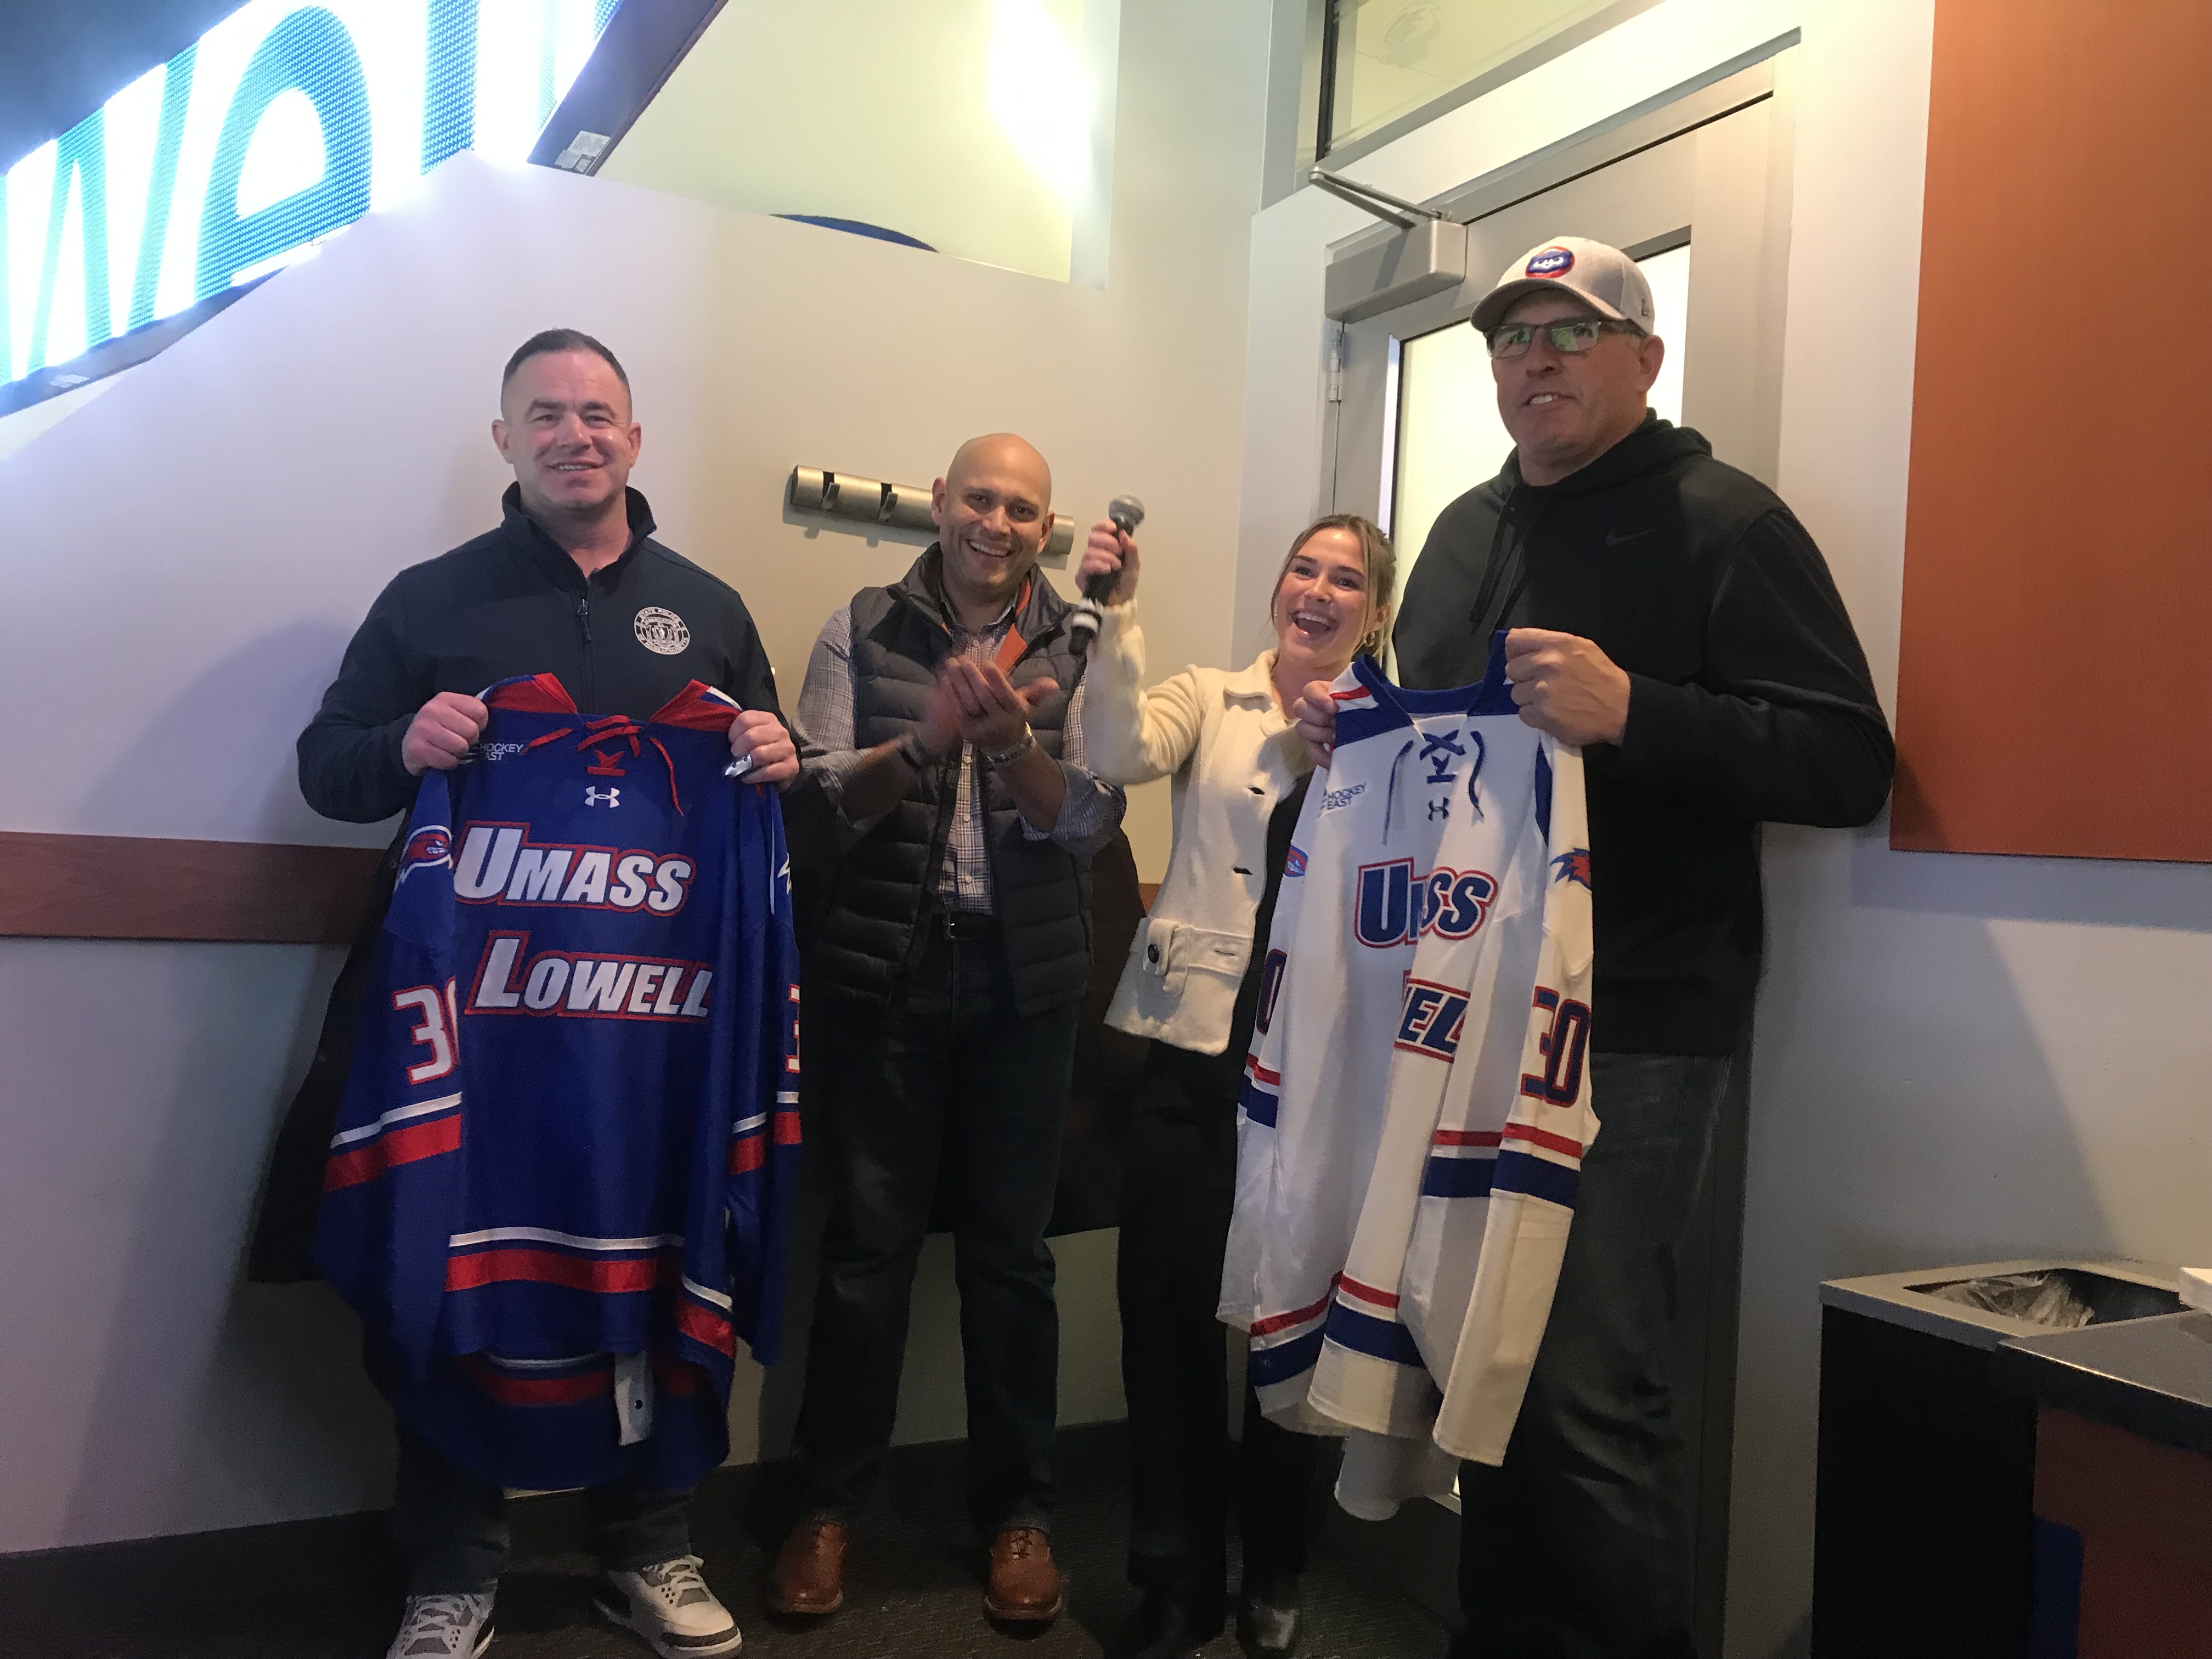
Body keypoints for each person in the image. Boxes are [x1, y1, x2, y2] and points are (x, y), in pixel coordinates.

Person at [1291, 238, 1894, 1659]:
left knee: (1585, 1388)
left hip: (1632, 1016)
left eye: (1573, 331)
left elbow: (1848, 763)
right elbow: (1439, 755)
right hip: (1460, 1003)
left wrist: (1638, 712)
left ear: (1645, 359)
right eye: (1514, 337)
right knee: (1478, 1362)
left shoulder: (1725, 523)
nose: (1537, 359)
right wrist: (1352, 734)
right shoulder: (1460, 533)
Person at [281, 329, 797, 1659]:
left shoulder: (711, 609)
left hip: (659, 1040)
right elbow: (329, 768)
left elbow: (771, 794)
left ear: (637, 437)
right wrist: (404, 743)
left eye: (600, 413)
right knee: (452, 1264)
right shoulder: (433, 602)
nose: (578, 435)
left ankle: (654, 1543)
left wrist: (775, 750)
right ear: (507, 440)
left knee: (665, 1257)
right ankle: (454, 1567)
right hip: (482, 1037)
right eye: (548, 415)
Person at [768, 433, 1127, 1628]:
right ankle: (827, 1507)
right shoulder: (863, 624)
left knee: (1012, 1262)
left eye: (1023, 509)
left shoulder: (1084, 640)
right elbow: (822, 802)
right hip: (888, 980)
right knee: (865, 1256)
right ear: (938, 503)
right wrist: (927, 740)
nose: (998, 523)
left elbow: (1091, 822)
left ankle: (1020, 1516)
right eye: (980, 498)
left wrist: (1013, 744)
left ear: (1046, 527)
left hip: (1026, 989)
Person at [1077, 513, 1396, 1659]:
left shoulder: (1398, 734)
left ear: (1377, 612)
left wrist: (1351, 753)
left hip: (1323, 1060)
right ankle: (1176, 1576)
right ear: (1278, 589)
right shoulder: (1210, 696)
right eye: (1304, 569)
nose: (1318, 590)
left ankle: (1277, 1564)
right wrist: (1117, 616)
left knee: (1292, 1318)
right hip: (1193, 1048)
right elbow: (1115, 750)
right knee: (1165, 1310)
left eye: (1347, 579)